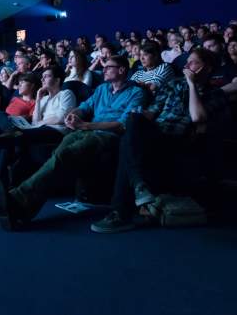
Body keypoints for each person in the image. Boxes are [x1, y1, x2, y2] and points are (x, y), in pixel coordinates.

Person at [0, 55, 146, 231]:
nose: (104, 69)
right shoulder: (102, 89)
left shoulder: (136, 93)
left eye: (109, 66)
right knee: (58, 157)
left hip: (107, 136)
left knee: (63, 156)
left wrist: (86, 124)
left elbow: (122, 125)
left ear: (121, 70)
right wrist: (73, 114)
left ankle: (15, 198)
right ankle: (21, 210)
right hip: (84, 131)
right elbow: (84, 107)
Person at [91, 48, 228, 233]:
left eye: (193, 62)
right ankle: (138, 187)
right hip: (157, 131)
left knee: (127, 146)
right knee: (133, 121)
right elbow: (152, 112)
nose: (187, 65)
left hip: (179, 138)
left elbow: (197, 117)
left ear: (208, 68)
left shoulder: (215, 94)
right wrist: (138, 114)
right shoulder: (173, 85)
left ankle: (122, 212)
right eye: (187, 62)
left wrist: (191, 83)